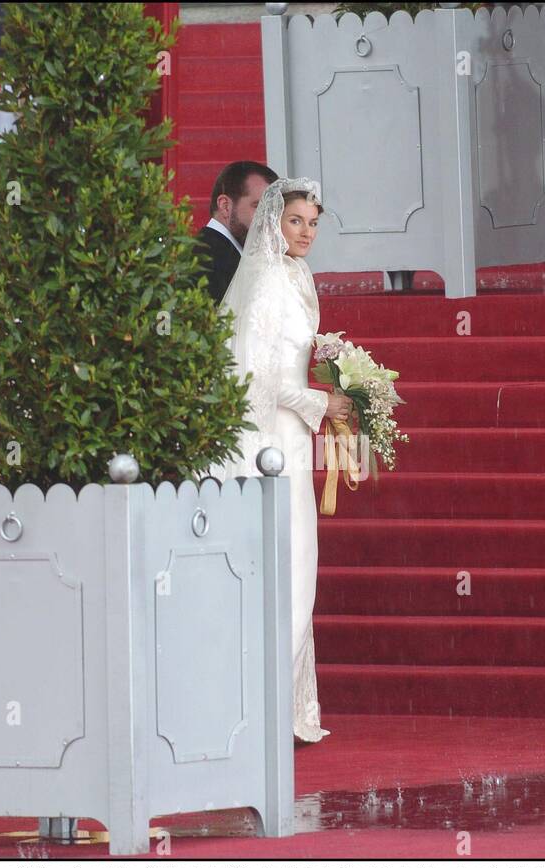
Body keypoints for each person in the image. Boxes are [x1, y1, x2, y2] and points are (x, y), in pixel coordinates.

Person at [206, 177, 353, 744]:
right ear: (273, 220)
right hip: (268, 441)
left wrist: (343, 371)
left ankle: (285, 708)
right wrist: (323, 399)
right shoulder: (265, 279)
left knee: (298, 566)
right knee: (284, 565)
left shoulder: (299, 274)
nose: (306, 232)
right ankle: (255, 707)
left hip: (294, 436)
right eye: (296, 221)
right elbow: (255, 378)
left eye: (314, 222)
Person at [196, 161, 277, 303]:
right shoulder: (210, 263)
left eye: (274, 209)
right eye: (259, 206)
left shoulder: (215, 253)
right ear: (225, 206)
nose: (269, 219)